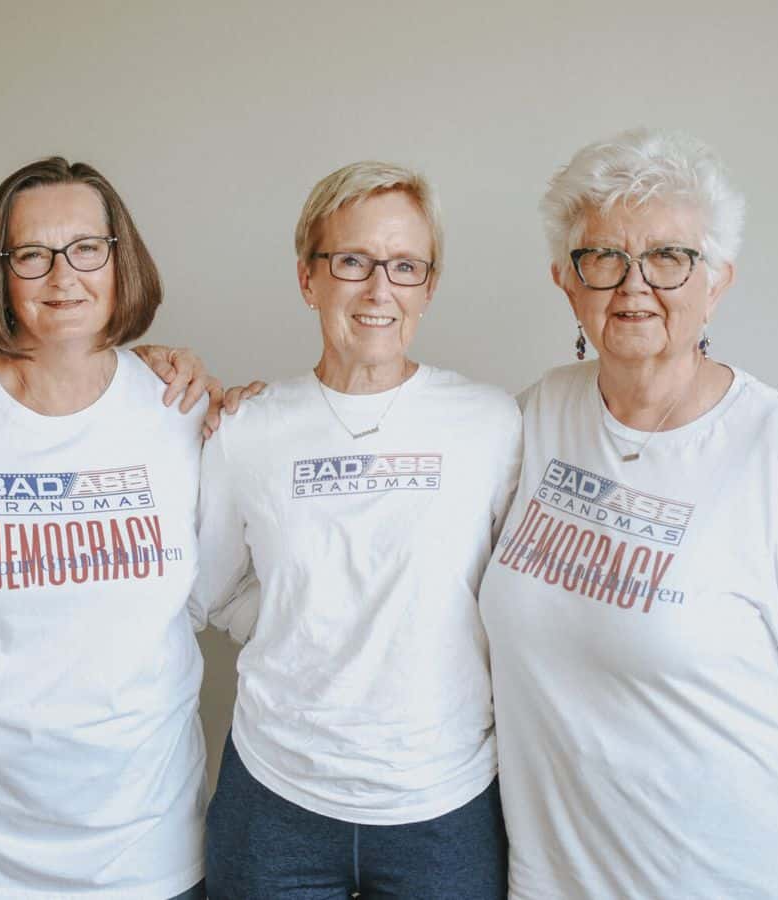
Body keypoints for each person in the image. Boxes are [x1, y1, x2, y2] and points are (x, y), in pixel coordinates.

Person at [478, 127, 778, 899]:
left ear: (717, 282)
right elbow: (412, 490)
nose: (634, 286)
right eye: (603, 257)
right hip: (551, 882)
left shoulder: (774, 448)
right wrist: (219, 404)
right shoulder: (540, 416)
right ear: (566, 282)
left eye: (669, 257)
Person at [0, 157, 211, 899]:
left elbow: (226, 586)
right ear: (0, 273)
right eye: (32, 254)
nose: (64, 276)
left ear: (122, 261)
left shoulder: (181, 413)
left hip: (140, 846)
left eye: (87, 248)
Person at [192, 161, 520, 899]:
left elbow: (516, 602)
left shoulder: (492, 425)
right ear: (309, 279)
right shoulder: (246, 429)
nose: (379, 289)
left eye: (405, 266)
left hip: (445, 800)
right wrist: (304, 623)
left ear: (429, 287)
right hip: (277, 797)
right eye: (352, 262)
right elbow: (214, 592)